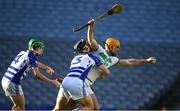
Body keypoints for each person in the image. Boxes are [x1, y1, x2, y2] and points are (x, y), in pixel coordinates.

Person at [53, 19, 157, 110]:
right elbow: (91, 39)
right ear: (110, 46)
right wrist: (91, 27)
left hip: (85, 84)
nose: (118, 49)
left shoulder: (113, 60)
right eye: (117, 47)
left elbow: (130, 62)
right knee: (60, 108)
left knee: (95, 108)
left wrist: (146, 61)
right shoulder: (99, 50)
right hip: (80, 82)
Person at [1, 38, 60, 110]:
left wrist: (46, 67)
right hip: (13, 82)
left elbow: (34, 63)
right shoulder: (31, 57)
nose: (41, 50)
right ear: (36, 48)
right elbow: (37, 74)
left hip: (5, 80)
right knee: (21, 108)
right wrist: (52, 81)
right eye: (41, 48)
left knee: (17, 106)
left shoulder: (23, 53)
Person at [60, 39, 110, 110]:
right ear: (85, 48)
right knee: (90, 107)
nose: (90, 45)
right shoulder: (93, 57)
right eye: (88, 44)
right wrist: (101, 75)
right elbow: (107, 72)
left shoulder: (75, 58)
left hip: (66, 81)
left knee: (70, 107)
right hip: (77, 83)